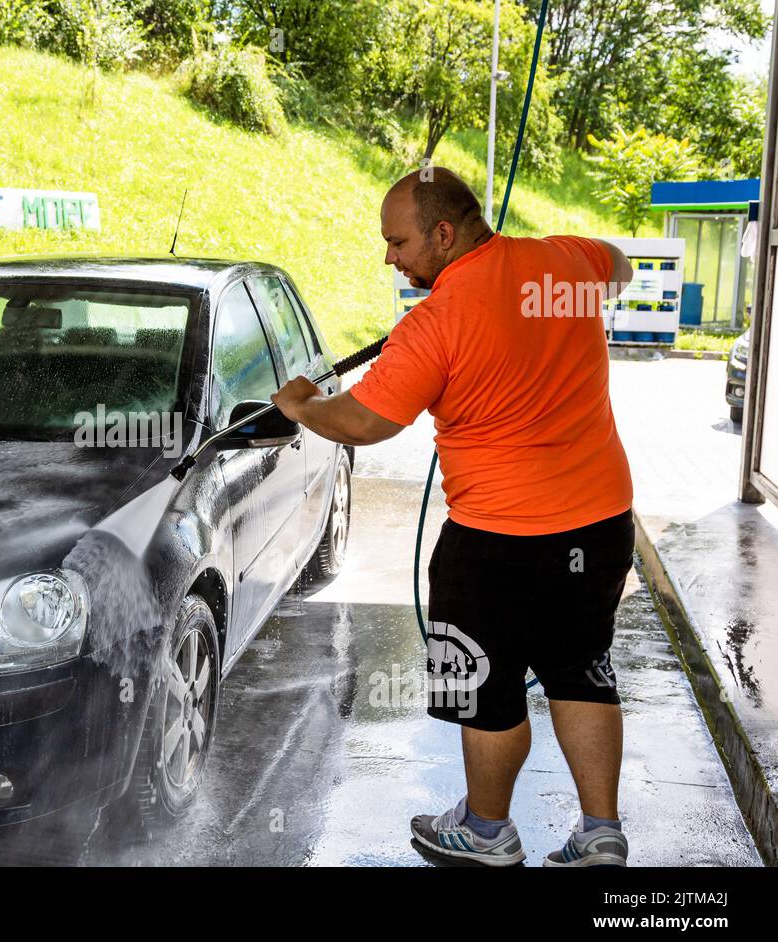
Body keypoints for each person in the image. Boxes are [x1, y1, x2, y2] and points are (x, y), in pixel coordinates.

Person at [270, 166, 636, 867]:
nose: (390, 257)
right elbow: (616, 265)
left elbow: (367, 421)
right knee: (582, 670)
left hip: (497, 541)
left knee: (486, 689)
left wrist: (302, 407)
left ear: (443, 232)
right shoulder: (564, 261)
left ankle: (488, 832)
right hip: (598, 524)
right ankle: (600, 833)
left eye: (398, 242)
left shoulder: (436, 321)